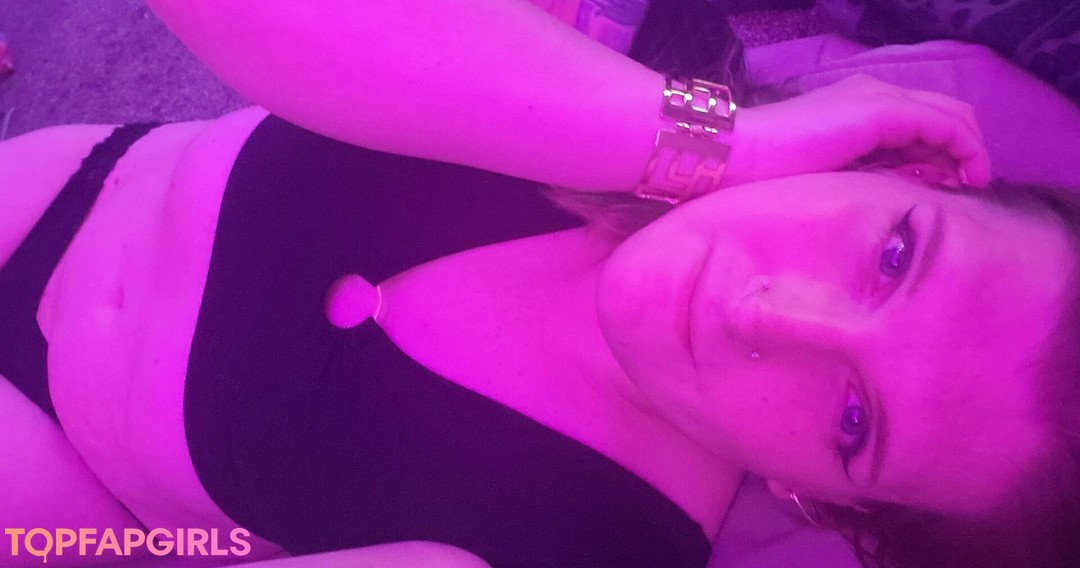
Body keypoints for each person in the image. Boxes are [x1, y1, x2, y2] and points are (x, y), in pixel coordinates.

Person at [1, 1, 1077, 567]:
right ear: (905, 173)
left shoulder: (586, 547)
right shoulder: (645, 82)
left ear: (829, 501)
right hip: (61, 178)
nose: (768, 314)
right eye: (893, 256)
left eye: (852, 419)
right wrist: (725, 142)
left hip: (64, 484)